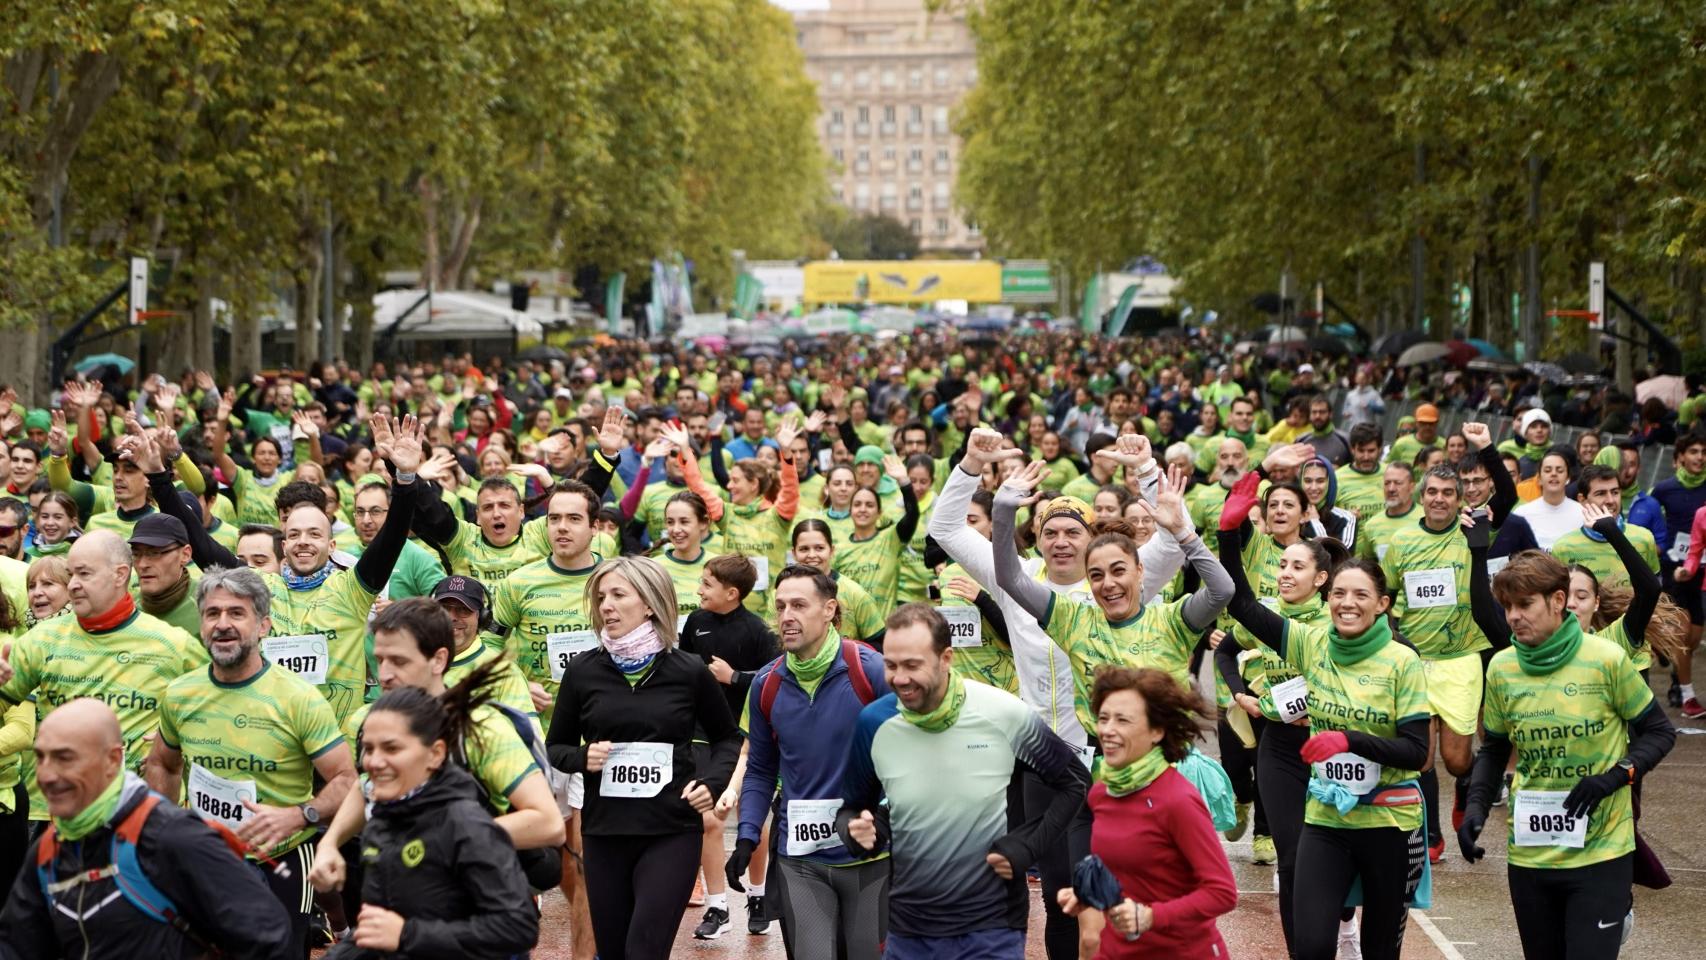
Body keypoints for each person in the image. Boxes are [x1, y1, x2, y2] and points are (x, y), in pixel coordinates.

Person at [1217, 489, 1431, 960]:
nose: (1346, 604)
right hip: (1325, 819)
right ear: (1327, 596)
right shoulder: (1311, 644)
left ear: (1383, 605)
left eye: (1360, 595)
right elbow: (1245, 609)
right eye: (1339, 594)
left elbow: (1418, 753)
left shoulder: (1404, 661)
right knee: (1312, 947)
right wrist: (1228, 534)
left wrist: (1349, 741)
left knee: (1379, 951)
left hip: (1388, 823)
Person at [1458, 534, 1676, 960]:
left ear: (1558, 601)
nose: (1514, 617)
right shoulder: (1503, 668)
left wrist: (1615, 778)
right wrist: (1476, 807)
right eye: (1508, 607)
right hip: (1531, 856)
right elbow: (1495, 748)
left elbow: (1659, 732)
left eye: (1525, 605)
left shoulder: (1606, 659)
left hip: (1601, 852)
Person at [836, 604, 1090, 960]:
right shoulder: (875, 722)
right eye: (891, 665)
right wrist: (856, 832)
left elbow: (1075, 782)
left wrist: (1027, 847)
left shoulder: (1003, 712)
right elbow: (851, 808)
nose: (899, 678)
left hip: (992, 925)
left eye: (913, 665)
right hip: (911, 928)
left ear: (946, 658)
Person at [144, 565, 357, 956]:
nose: (222, 624)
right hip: (204, 856)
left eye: (236, 613)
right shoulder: (180, 694)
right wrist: (161, 827)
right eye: (213, 613)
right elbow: (163, 764)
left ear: (263, 626)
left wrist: (300, 815)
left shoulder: (298, 699)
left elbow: (346, 781)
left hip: (283, 859)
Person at [545, 556, 742, 960]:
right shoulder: (583, 671)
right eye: (601, 597)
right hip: (605, 834)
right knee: (615, 953)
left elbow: (727, 739)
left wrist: (711, 783)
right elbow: (556, 748)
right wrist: (583, 756)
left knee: (644, 950)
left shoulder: (688, 670)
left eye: (618, 595)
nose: (606, 606)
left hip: (670, 830)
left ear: (650, 604)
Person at [0, 698, 292, 959]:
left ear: (113, 760)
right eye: (40, 758)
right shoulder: (49, 851)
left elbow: (269, 937)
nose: (47, 775)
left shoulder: (174, 836)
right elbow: (17, 947)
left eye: (65, 758)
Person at [731, 566, 890, 959]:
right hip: (800, 858)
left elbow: (910, 757)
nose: (787, 616)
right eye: (781, 606)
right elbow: (761, 768)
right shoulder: (766, 684)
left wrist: (883, 817)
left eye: (799, 605)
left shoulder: (871, 671)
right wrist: (748, 835)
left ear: (829, 609)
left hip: (870, 858)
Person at [318, 684, 539, 960]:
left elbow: (518, 929)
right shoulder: (379, 824)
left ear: (435, 754)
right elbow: (376, 933)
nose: (374, 761)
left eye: (391, 748)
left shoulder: (467, 825)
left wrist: (407, 934)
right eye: (368, 749)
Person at [1379, 424, 1515, 860]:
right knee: (1421, 756)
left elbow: (1509, 497)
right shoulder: (1401, 542)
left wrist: (1488, 448)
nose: (1439, 499)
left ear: (1460, 500)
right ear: (1422, 496)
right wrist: (1395, 639)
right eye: (1432, 492)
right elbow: (1387, 598)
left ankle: (1465, 790)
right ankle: (1431, 834)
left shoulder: (1473, 529)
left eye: (1448, 493)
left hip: (1460, 659)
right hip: (1417, 661)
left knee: (1457, 759)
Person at [1057, 667, 1238, 958]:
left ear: (1157, 731)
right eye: (1103, 718)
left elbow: (1222, 893)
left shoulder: (1177, 799)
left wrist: (1151, 917)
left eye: (1123, 720)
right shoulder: (1103, 792)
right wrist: (1087, 895)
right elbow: (1125, 872)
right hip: (1118, 951)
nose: (1107, 730)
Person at [0, 531, 204, 775]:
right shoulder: (41, 639)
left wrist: (178, 738)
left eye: (84, 573)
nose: (74, 584)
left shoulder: (174, 644)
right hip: (69, 806)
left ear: (120, 574)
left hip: (149, 806)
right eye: (71, 574)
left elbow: (218, 711)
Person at [677, 554, 780, 939]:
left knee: (753, 818)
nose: (698, 590)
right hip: (704, 731)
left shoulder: (757, 630)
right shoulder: (695, 622)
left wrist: (733, 677)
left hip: (747, 733)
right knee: (708, 817)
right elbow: (684, 669)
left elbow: (775, 678)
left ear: (732, 593)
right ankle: (718, 907)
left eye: (706, 584)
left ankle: (757, 895)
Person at [1553, 464, 1662, 588]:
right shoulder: (1564, 547)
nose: (1610, 500)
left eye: (1615, 492)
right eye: (1601, 494)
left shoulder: (1644, 538)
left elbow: (1656, 593)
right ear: (1582, 500)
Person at [788, 520, 888, 646]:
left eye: (819, 548)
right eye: (804, 549)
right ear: (794, 553)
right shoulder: (781, 595)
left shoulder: (855, 594)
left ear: (831, 550)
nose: (812, 555)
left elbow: (879, 646)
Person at [1513, 449, 1585, 551]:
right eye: (1547, 470)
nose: (1554, 474)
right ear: (1539, 479)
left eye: (1560, 470)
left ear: (1568, 478)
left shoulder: (1583, 513)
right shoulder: (1522, 514)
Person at [1386, 403, 1443, 467]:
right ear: (1416, 423)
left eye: (1431, 423)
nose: (1427, 427)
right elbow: (1387, 467)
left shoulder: (1445, 445)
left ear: (1437, 423)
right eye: (1423, 423)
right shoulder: (1401, 444)